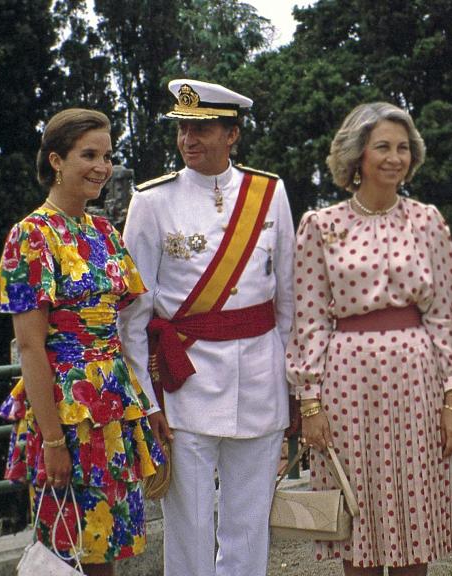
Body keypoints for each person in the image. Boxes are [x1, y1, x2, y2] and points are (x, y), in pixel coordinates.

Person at [118, 79, 295, 576]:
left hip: (260, 379)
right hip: (184, 382)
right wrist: (147, 400)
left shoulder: (270, 193)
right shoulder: (152, 201)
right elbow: (134, 315)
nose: (187, 140)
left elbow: (289, 301)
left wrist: (292, 386)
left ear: (232, 134)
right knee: (189, 528)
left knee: (248, 524)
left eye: (202, 128)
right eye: (182, 128)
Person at [286, 101, 452, 574]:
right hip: (347, 385)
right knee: (357, 513)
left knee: (414, 517)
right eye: (382, 146)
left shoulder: (428, 221)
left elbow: (445, 315)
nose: (394, 157)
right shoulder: (320, 226)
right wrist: (310, 403)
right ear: (356, 155)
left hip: (417, 382)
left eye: (403, 148)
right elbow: (308, 320)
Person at [0, 108, 164, 576]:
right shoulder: (30, 237)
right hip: (64, 413)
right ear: (56, 160)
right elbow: (30, 347)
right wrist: (51, 440)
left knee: (107, 550)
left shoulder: (105, 232)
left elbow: (121, 329)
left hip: (112, 409)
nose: (102, 167)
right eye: (88, 154)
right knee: (68, 551)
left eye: (106, 156)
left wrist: (144, 406)